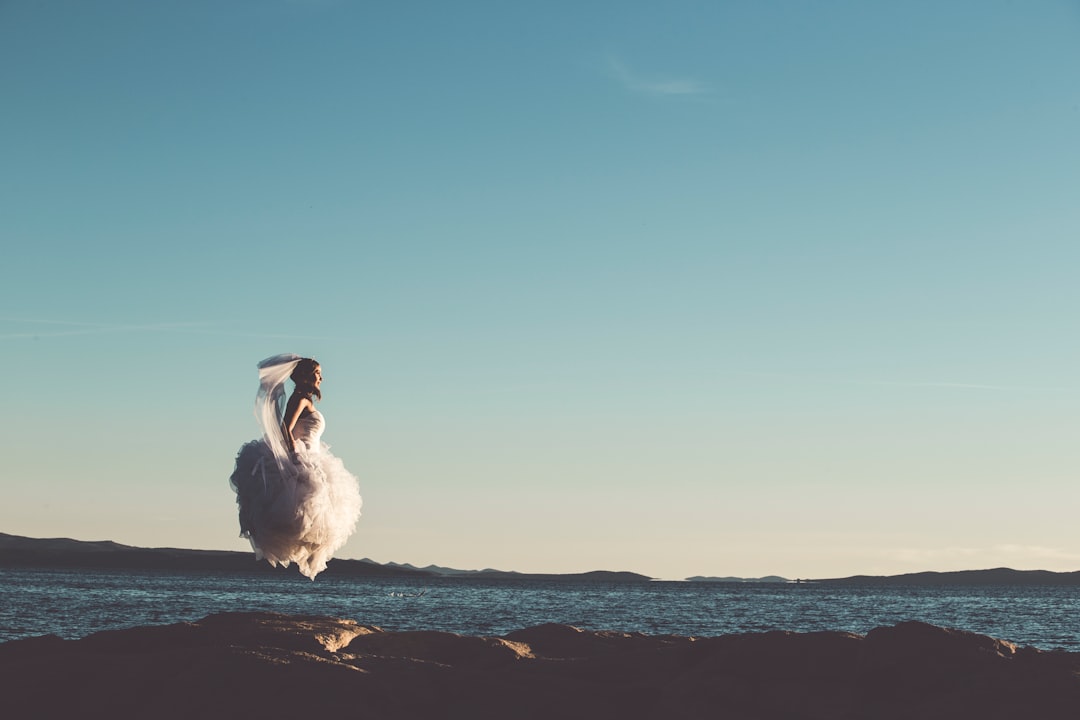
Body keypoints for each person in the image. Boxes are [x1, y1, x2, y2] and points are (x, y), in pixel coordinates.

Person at [229, 354, 362, 579]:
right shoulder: (299, 399)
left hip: (314, 456)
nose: (321, 378)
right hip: (303, 458)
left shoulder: (305, 400)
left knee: (314, 518)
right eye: (318, 373)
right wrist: (293, 456)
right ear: (306, 376)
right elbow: (285, 429)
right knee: (304, 514)